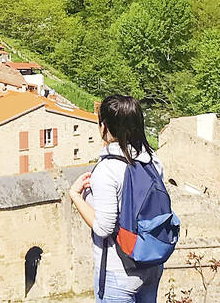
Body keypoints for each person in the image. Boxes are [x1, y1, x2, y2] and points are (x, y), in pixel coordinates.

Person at [68, 95, 165, 303]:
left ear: (103, 127)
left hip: (120, 270)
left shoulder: (107, 169)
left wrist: (76, 197)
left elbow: (104, 227)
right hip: (152, 262)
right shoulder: (152, 160)